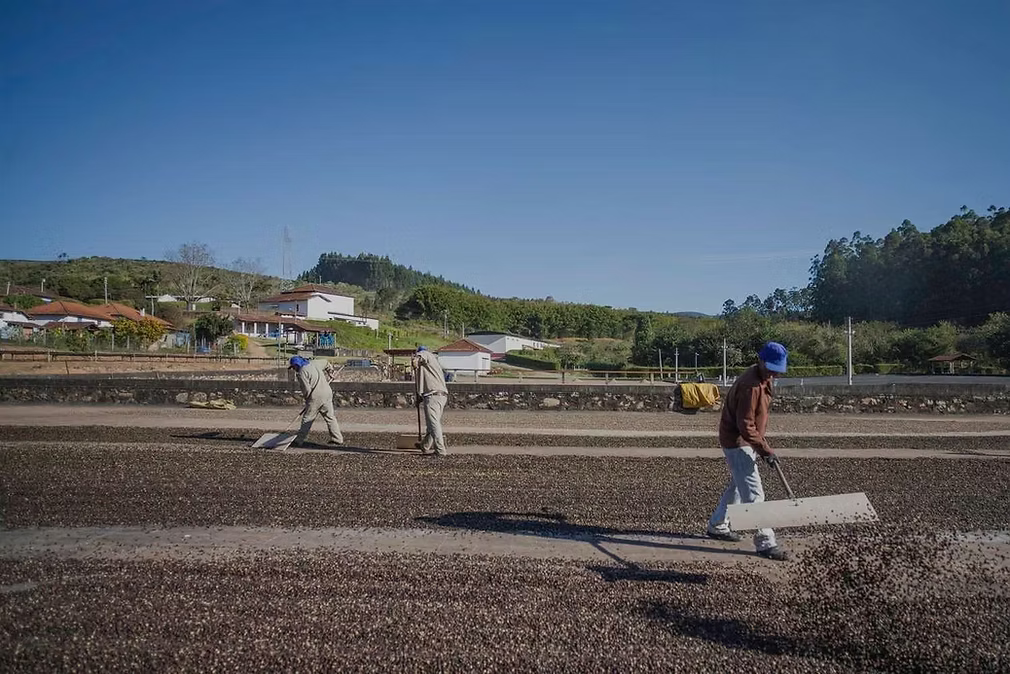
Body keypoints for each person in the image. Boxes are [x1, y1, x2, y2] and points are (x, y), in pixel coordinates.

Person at [706, 341, 789, 561]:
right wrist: (764, 449)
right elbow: (745, 425)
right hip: (738, 441)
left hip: (745, 440)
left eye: (778, 369)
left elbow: (753, 422)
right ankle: (766, 543)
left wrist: (761, 444)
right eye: (771, 367)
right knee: (754, 494)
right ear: (760, 360)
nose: (775, 373)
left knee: (736, 485)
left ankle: (718, 525)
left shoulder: (763, 378)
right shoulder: (750, 386)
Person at [288, 356, 344, 447]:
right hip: (327, 393)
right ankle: (337, 438)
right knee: (330, 417)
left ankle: (299, 440)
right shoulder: (314, 363)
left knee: (308, 418)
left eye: (294, 367)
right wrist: (330, 372)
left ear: (297, 365)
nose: (294, 369)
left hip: (316, 396)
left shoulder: (301, 373)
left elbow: (306, 389)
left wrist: (308, 401)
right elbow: (326, 362)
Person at [411, 345, 448, 456]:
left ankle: (440, 450)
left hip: (433, 395)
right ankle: (425, 445)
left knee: (433, 423)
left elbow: (420, 357)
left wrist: (415, 360)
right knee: (432, 423)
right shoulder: (434, 362)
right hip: (441, 395)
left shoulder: (425, 354)